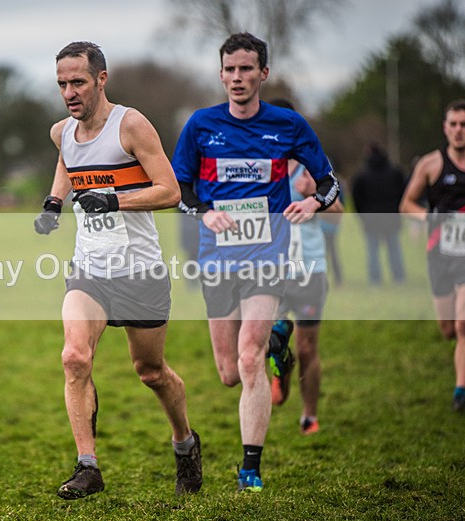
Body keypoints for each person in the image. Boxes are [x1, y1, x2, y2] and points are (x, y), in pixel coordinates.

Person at [33, 41, 202, 499]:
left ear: (101, 79)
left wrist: (115, 199)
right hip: (89, 269)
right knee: (74, 356)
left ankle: (185, 443)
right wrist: (54, 202)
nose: (69, 92)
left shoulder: (131, 125)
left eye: (78, 82)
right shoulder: (61, 131)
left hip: (140, 271)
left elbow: (169, 192)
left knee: (150, 371)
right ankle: (88, 466)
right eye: (62, 84)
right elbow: (67, 162)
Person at [172, 33, 339, 492]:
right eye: (230, 69)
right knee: (229, 373)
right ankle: (276, 343)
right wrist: (206, 212)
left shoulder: (288, 125)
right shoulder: (201, 126)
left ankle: (251, 469)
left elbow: (328, 182)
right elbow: (178, 191)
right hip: (217, 261)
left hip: (267, 256)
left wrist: (313, 205)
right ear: (220, 73)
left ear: (263, 73)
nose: (237, 77)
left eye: (246, 69)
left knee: (249, 360)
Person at [266, 99, 344, 435]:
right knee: (271, 338)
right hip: (272, 269)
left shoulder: (312, 167)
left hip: (310, 268)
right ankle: (280, 366)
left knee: (308, 346)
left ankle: (309, 415)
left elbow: (339, 215)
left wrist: (315, 195)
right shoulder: (256, 168)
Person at [400, 100, 465, 412]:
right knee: (448, 329)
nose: (458, 130)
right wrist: (429, 218)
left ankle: (460, 392)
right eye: (453, 124)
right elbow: (405, 204)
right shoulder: (431, 165)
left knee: (464, 325)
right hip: (440, 255)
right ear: (445, 128)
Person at [352, 142, 407, 285]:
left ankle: (375, 280)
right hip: (391, 217)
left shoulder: (362, 175)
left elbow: (356, 198)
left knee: (373, 251)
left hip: (371, 219)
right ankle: (399, 278)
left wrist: (362, 215)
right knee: (394, 249)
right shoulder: (395, 172)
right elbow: (404, 193)